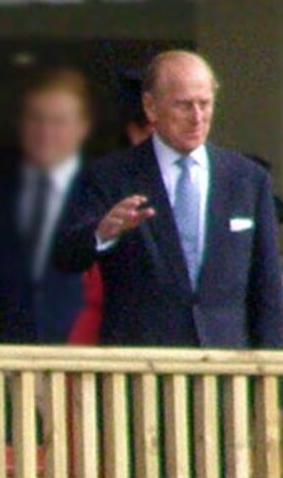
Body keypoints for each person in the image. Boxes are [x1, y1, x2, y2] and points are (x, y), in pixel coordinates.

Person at [55, 50, 283, 348]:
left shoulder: (247, 179)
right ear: (151, 107)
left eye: (205, 104)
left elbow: (267, 286)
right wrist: (102, 233)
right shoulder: (110, 176)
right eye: (184, 106)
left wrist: (270, 368)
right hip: (140, 367)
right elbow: (64, 256)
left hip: (227, 367)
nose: (197, 117)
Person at [0, 68, 101, 344]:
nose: (45, 132)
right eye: (36, 119)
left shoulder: (102, 196)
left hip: (83, 371)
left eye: (58, 121)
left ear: (83, 127)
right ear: (20, 124)